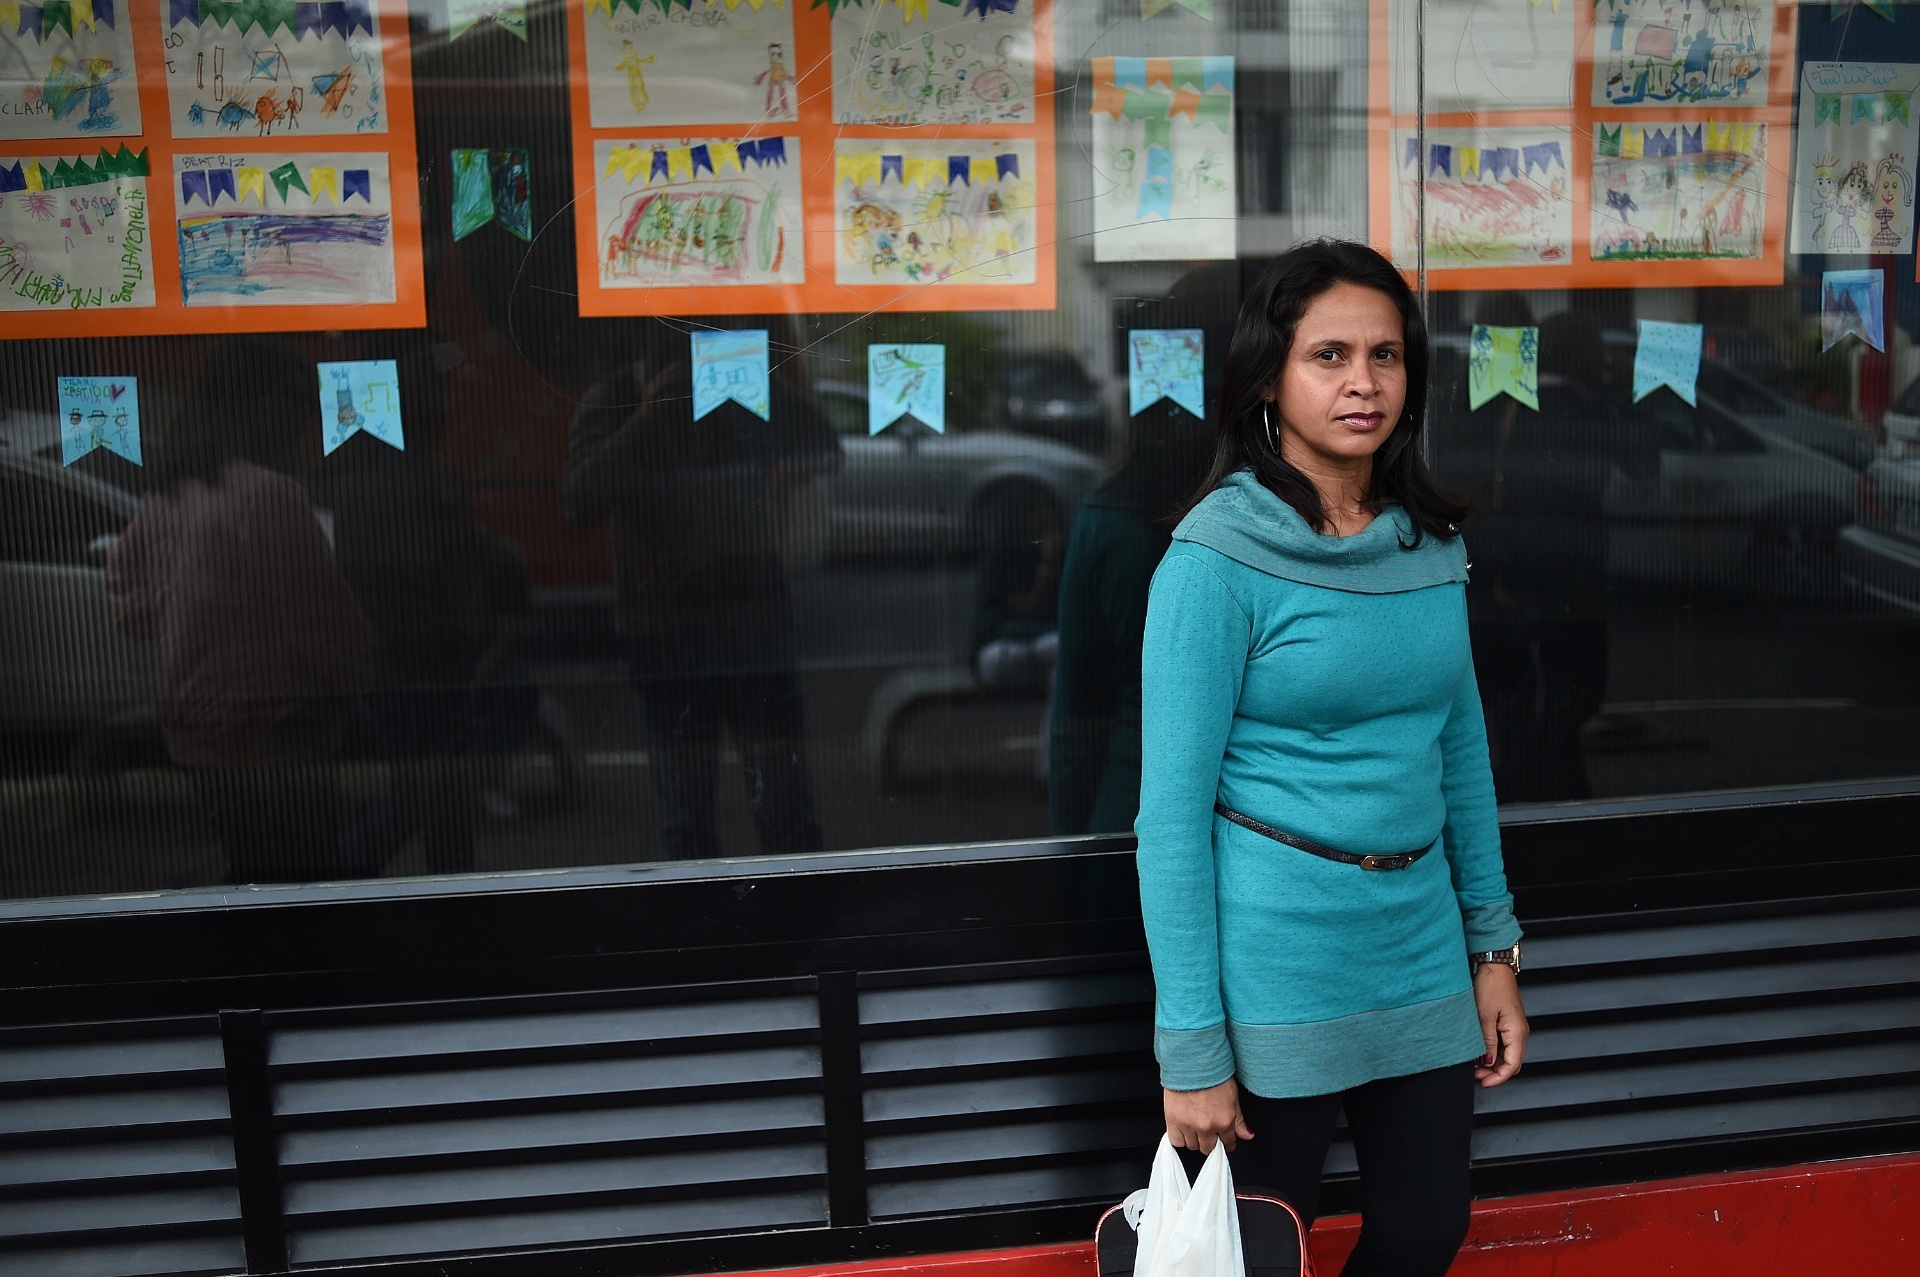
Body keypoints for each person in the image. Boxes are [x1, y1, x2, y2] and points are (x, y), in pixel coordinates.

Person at [1136, 241, 1527, 1277]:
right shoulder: (1214, 559)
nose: (1364, 382)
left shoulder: (1427, 540)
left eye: (1387, 356)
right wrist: (1193, 1046)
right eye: (1330, 356)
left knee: (1424, 1229)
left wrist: (1493, 949)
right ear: (1270, 375)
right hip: (1275, 969)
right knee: (1257, 1252)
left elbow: (1460, 750)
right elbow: (1169, 820)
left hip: (1419, 949)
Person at [563, 322, 839, 859]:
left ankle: (798, 928)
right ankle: (708, 930)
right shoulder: (620, 397)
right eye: (672, 334)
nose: (686, 351)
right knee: (691, 820)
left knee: (783, 811)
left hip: (742, 626)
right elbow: (579, 500)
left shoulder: (732, 379)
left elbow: (821, 449)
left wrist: (756, 392)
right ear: (645, 338)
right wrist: (647, 420)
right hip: (676, 634)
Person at [107, 339, 375, 883]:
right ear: (247, 402)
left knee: (251, 877)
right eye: (291, 397)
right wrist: (365, 685)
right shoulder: (267, 495)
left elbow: (129, 610)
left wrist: (179, 604)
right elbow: (321, 620)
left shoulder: (167, 495)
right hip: (278, 733)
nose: (302, 414)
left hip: (195, 734)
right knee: (302, 889)